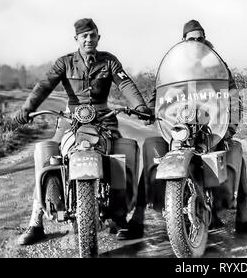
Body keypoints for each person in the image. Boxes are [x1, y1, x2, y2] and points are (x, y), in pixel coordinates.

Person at [116, 20, 247, 239]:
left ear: (205, 39)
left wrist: (228, 128)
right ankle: (138, 218)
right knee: (152, 147)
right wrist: (149, 111)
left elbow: (232, 96)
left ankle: (243, 217)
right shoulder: (175, 65)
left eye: (200, 39)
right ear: (183, 41)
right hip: (178, 131)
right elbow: (159, 96)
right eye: (192, 39)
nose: (197, 43)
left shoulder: (217, 65)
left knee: (235, 150)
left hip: (210, 128)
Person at [14, 18, 152, 245]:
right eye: (84, 36)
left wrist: (139, 107)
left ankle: (122, 216)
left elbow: (125, 83)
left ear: (99, 37)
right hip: (70, 120)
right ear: (76, 39)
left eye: (93, 35)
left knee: (125, 153)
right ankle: (36, 222)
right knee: (48, 157)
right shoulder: (64, 62)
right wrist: (27, 109)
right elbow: (44, 85)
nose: (89, 39)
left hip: (104, 120)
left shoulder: (109, 61)